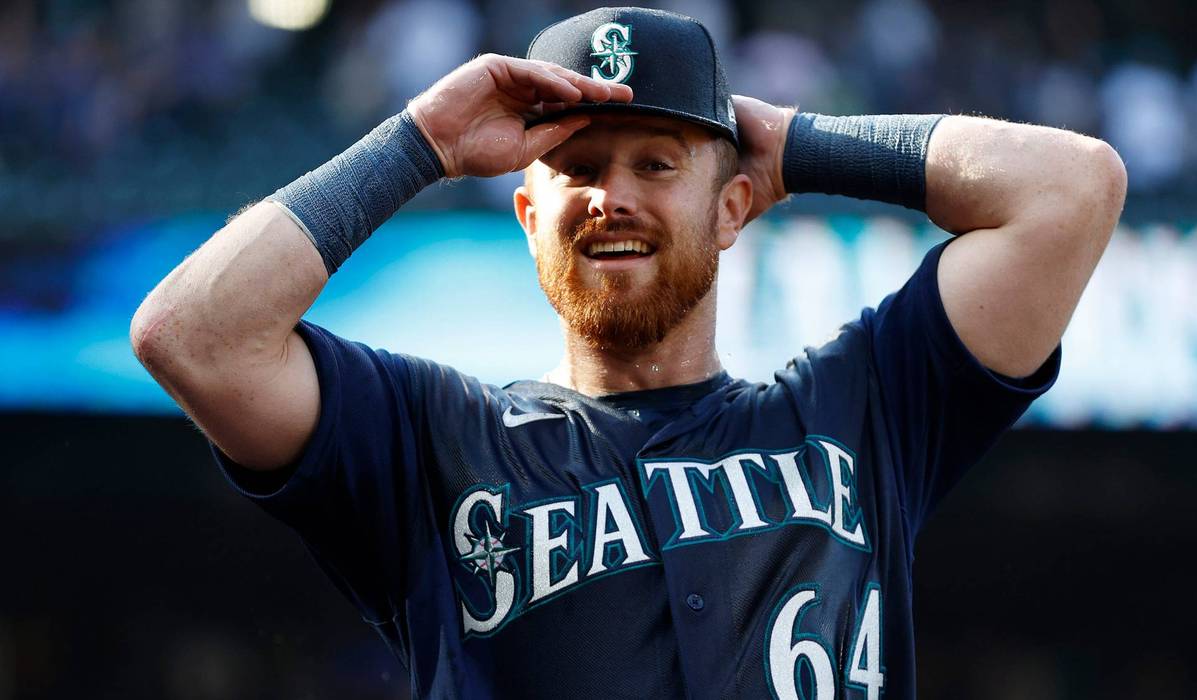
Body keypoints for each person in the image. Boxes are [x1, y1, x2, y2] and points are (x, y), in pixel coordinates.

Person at [130, 7, 1126, 699]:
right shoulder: (431, 440)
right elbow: (192, 337)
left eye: (658, 162)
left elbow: (1071, 190)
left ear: (733, 206)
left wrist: (804, 143)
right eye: (578, 168)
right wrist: (418, 143)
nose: (614, 194)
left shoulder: (862, 404)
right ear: (528, 215)